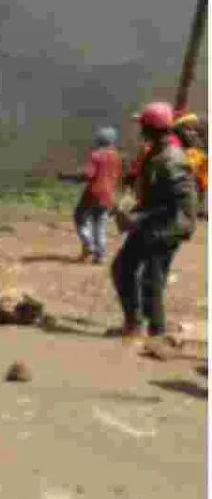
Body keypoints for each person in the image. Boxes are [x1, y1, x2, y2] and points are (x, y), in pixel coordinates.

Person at [109, 101, 199, 341]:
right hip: (155, 222)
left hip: (169, 226)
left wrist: (136, 217)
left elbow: (176, 203)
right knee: (126, 269)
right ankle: (137, 325)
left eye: (142, 126)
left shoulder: (171, 159)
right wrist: (129, 209)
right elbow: (154, 194)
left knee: (150, 277)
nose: (140, 130)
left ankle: (154, 332)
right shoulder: (157, 151)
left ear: (150, 129)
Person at [73, 127, 122, 264]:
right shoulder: (117, 157)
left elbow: (88, 174)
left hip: (93, 193)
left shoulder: (96, 155)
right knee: (100, 224)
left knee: (79, 217)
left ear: (100, 140)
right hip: (109, 194)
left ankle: (88, 244)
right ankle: (101, 255)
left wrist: (73, 177)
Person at [173, 112, 208, 218]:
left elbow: (204, 182)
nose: (193, 133)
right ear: (179, 131)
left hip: (190, 207)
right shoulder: (172, 152)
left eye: (194, 130)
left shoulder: (198, 154)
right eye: (188, 129)